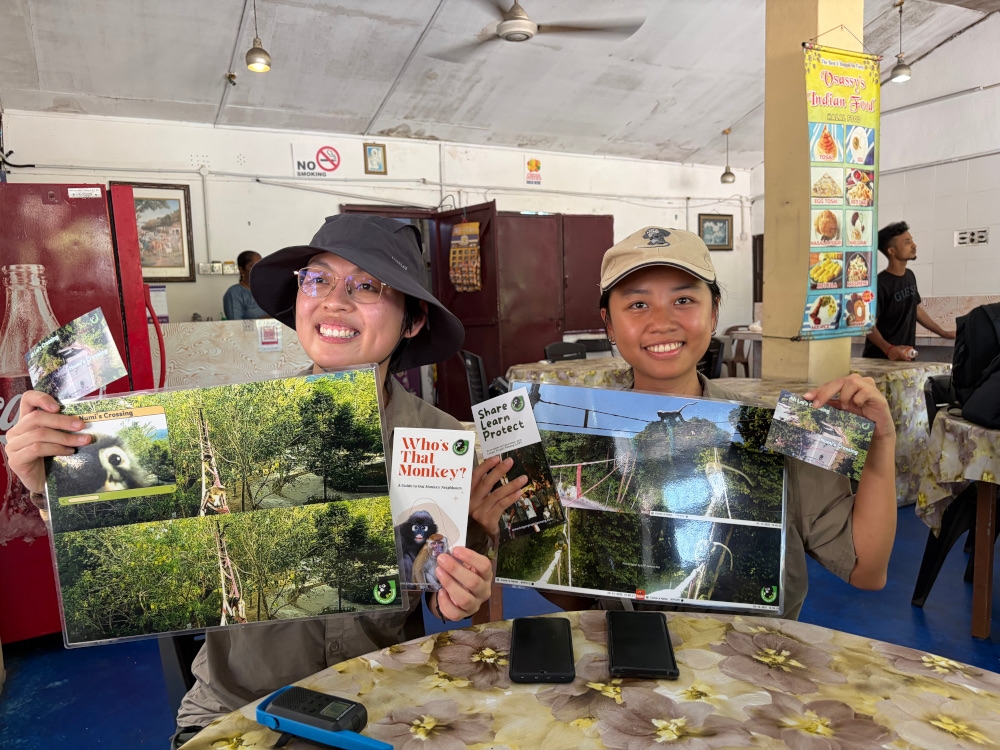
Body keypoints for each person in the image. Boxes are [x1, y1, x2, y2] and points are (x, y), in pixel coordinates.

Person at [5, 214, 525, 747]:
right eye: (317, 279)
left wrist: (462, 589)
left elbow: (445, 595)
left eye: (367, 286)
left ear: (413, 321)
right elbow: (124, 544)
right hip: (243, 706)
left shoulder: (440, 440)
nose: (334, 300)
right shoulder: (227, 424)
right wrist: (51, 481)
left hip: (382, 700)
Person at [560, 226, 896, 619]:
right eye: (637, 305)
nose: (662, 322)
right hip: (625, 663)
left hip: (753, 664)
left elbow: (867, 571)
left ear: (714, 312)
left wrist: (880, 446)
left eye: (683, 299)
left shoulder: (781, 427)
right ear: (609, 324)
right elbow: (577, 595)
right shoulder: (578, 434)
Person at [862, 221, 955, 360]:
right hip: (880, 360)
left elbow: (915, 309)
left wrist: (944, 333)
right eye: (907, 242)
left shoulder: (909, 276)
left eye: (911, 240)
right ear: (891, 251)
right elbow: (867, 325)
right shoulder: (879, 284)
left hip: (905, 356)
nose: (914, 245)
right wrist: (889, 349)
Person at [222, 251, 268, 320]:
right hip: (247, 331)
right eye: (253, 266)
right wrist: (269, 319)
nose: (258, 269)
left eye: (260, 265)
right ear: (241, 270)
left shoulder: (268, 291)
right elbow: (236, 325)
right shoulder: (234, 293)